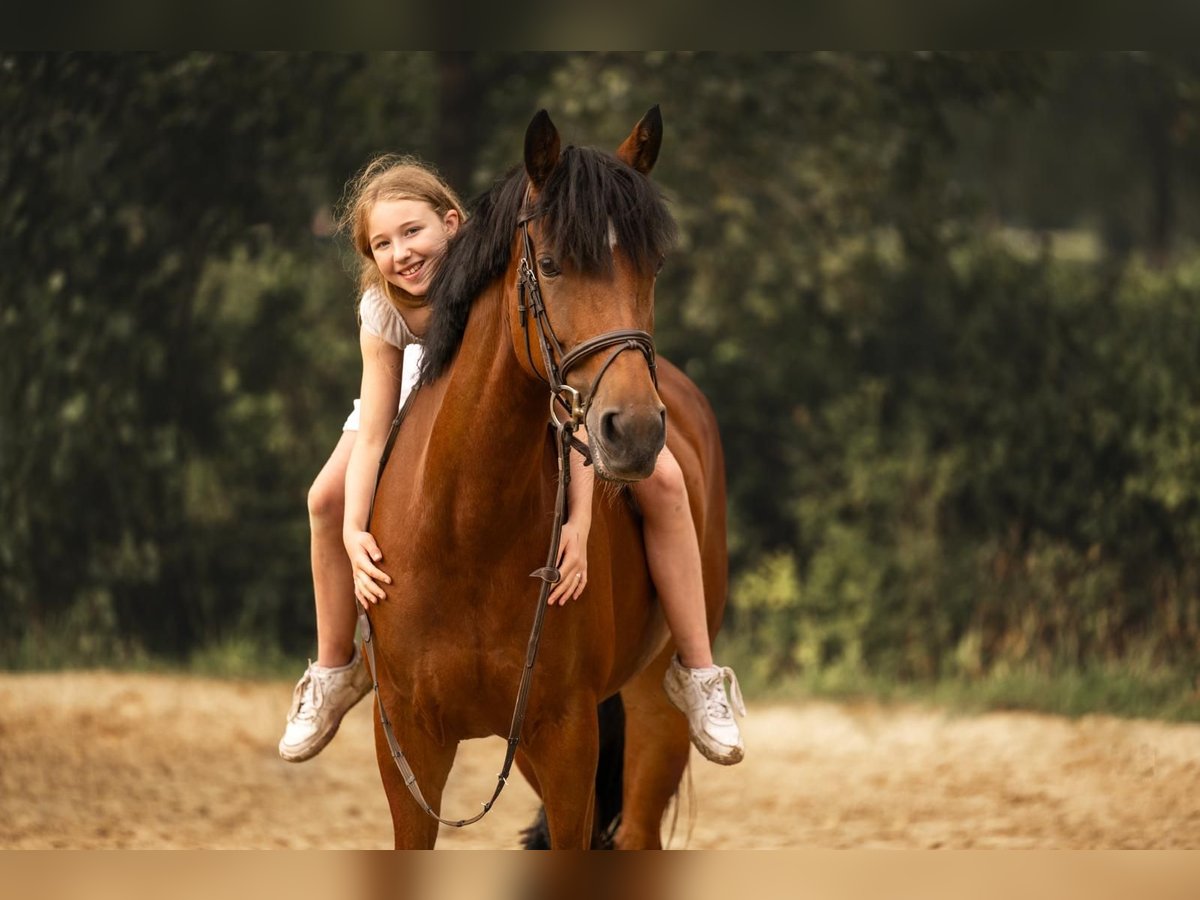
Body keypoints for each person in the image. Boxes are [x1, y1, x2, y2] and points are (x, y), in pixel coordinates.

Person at [279, 154, 745, 767]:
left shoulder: (490, 274)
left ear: (452, 222)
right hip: (402, 399)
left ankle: (698, 670)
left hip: (503, 397)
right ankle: (337, 666)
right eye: (382, 243)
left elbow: (560, 407)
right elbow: (372, 426)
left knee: (662, 477)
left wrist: (578, 524)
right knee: (323, 498)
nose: (401, 253)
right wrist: (352, 527)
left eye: (412, 232)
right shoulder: (382, 307)